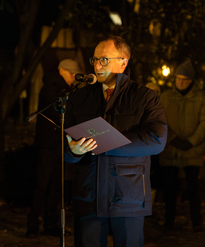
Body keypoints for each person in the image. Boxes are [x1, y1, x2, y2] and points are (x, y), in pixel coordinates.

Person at [64, 35, 167, 247]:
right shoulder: (79, 97)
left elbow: (156, 140)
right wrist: (72, 150)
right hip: (88, 196)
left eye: (104, 59)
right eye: (94, 60)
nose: (97, 65)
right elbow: (62, 143)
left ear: (123, 61)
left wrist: (108, 142)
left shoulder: (145, 97)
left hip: (127, 195)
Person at [26, 59, 82, 238]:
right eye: (71, 74)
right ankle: (33, 224)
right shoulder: (51, 88)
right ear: (62, 71)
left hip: (60, 144)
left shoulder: (66, 89)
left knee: (57, 186)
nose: (73, 78)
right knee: (42, 185)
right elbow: (57, 113)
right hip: (48, 145)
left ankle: (51, 223)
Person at [159, 60, 205, 232]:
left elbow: (204, 122)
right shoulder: (165, 97)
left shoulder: (200, 98)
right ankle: (169, 221)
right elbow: (159, 121)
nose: (180, 82)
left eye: (184, 79)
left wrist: (191, 141)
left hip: (191, 152)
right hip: (170, 150)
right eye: (178, 79)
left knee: (193, 188)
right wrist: (172, 138)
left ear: (191, 81)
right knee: (169, 189)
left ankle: (196, 221)